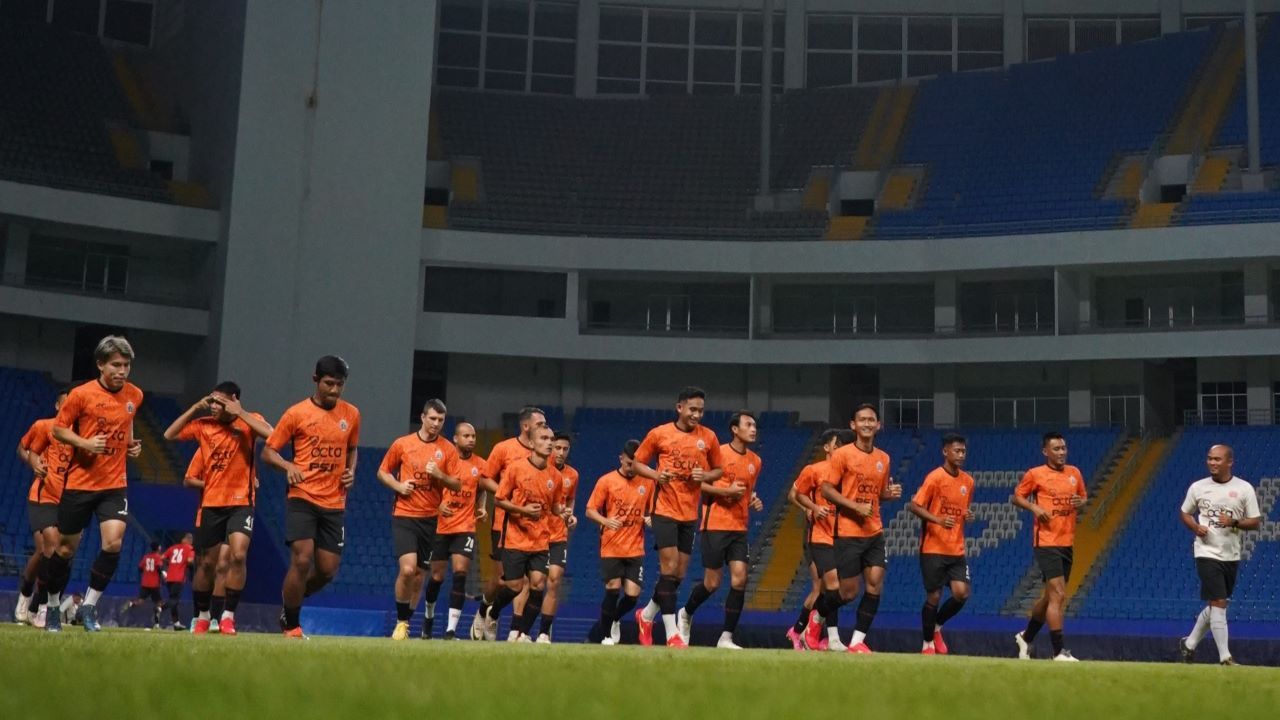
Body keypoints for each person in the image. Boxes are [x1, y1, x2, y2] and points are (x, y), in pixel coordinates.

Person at [40, 335, 144, 633]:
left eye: (126, 365)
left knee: (113, 542)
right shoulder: (81, 395)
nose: (122, 371)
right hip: (81, 483)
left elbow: (127, 423)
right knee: (64, 550)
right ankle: (52, 606)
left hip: (114, 483)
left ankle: (89, 606)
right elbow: (59, 430)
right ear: (100, 364)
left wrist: (130, 444)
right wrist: (84, 442)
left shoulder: (134, 395)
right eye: (116, 365)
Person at [263, 355, 360, 639]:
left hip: (334, 501)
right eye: (329, 384)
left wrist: (350, 471)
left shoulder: (351, 414)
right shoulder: (296, 414)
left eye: (340, 385)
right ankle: (292, 624)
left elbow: (353, 448)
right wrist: (288, 466)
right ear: (315, 379)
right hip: (302, 496)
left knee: (328, 570)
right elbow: (268, 452)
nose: (335, 390)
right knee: (302, 560)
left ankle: (291, 599)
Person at [164, 382, 272, 636]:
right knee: (207, 564)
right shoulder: (204, 426)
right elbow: (169, 435)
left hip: (241, 502)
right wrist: (194, 409)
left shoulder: (249, 421)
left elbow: (271, 434)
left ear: (233, 400)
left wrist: (240, 412)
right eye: (211, 401)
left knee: (237, 556)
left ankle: (227, 617)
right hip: (211, 503)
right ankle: (202, 616)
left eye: (219, 402)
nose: (213, 407)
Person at [804, 404, 902, 654]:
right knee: (847, 593)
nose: (867, 423)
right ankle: (817, 618)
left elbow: (878, 495)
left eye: (872, 420)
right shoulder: (842, 455)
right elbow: (827, 489)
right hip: (847, 532)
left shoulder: (884, 458)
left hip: (874, 532)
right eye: (862, 420)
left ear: (878, 425)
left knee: (875, 583)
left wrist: (888, 495)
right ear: (853, 425)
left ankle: (857, 642)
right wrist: (854, 507)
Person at [632, 387, 723, 648]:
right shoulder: (660, 433)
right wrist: (655, 475)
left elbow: (718, 470)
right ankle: (672, 634)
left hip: (689, 512)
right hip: (664, 509)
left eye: (701, 410)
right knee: (669, 568)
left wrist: (704, 476)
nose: (697, 414)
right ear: (679, 407)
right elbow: (638, 463)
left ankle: (646, 615)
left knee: (679, 574)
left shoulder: (709, 437)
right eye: (692, 409)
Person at [377, 399, 461, 641]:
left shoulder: (447, 449)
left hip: (431, 519)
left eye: (441, 420)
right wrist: (399, 486)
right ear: (423, 417)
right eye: (432, 419)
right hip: (404, 515)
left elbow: (456, 483)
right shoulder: (403, 444)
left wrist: (440, 475)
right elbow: (382, 471)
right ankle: (401, 622)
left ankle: (406, 621)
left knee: (418, 577)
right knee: (407, 569)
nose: (436, 424)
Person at [678, 411, 763, 649]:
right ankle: (686, 612)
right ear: (735, 429)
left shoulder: (756, 461)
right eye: (748, 424)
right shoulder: (718, 453)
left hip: (739, 527)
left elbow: (746, 492)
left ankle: (726, 637)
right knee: (713, 583)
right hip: (714, 525)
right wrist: (726, 492)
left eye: (755, 425)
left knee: (740, 579)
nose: (753, 429)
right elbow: (698, 484)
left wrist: (752, 500)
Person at [1178, 444, 1262, 666]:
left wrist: (1234, 522)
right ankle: (1225, 657)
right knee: (1219, 601)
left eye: (1217, 459)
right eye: (1210, 459)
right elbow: (1185, 512)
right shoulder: (1198, 487)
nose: (1212, 463)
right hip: (1206, 551)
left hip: (1231, 553)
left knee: (1218, 605)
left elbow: (1254, 522)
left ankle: (1189, 644)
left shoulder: (1244, 489)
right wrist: (1196, 528)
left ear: (1229, 462)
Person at [484, 426, 568, 642]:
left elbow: (556, 506)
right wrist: (523, 511)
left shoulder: (555, 477)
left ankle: (522, 633)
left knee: (539, 584)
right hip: (515, 537)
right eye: (544, 438)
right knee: (514, 586)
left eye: (551, 438)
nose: (549, 443)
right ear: (531, 444)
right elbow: (499, 499)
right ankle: (492, 613)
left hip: (541, 539)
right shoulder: (515, 469)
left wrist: (565, 514)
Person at [471, 406, 547, 641]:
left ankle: (514, 630)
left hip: (534, 529)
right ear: (526, 427)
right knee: (502, 580)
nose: (544, 429)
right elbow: (484, 479)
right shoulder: (503, 449)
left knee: (527, 581)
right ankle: (485, 607)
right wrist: (508, 494)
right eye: (540, 425)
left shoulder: (546, 454)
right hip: (505, 523)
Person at [1012, 431, 1087, 662]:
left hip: (1067, 541)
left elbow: (1083, 497)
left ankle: (1026, 636)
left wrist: (1080, 502)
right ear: (1045, 451)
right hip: (1046, 542)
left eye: (1064, 448)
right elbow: (1016, 497)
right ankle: (1058, 652)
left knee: (1049, 598)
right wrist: (1034, 508)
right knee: (1059, 595)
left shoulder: (1074, 473)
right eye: (1056, 448)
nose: (1062, 452)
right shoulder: (1035, 474)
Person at [907, 433, 975, 655]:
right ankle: (927, 644)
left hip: (956, 548)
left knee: (961, 593)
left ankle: (936, 626)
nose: (961, 455)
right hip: (933, 548)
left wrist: (967, 514)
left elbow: (960, 509)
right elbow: (914, 506)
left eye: (963, 451)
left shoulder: (968, 481)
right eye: (957, 450)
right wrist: (937, 519)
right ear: (945, 452)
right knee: (934, 596)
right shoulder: (935, 477)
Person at [584, 439, 653, 646]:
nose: (631, 467)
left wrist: (651, 518)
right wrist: (606, 521)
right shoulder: (606, 481)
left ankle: (614, 618)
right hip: (611, 545)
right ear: (621, 458)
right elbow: (590, 510)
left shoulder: (647, 482)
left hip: (635, 547)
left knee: (632, 596)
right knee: (612, 589)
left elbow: (653, 510)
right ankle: (606, 635)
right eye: (628, 462)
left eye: (636, 463)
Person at [786, 428, 846, 651]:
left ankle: (808, 632)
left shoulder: (846, 472)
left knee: (827, 588)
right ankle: (803, 631)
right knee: (821, 587)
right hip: (816, 534)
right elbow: (793, 494)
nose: (841, 448)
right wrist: (809, 508)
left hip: (837, 536)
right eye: (837, 444)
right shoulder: (815, 470)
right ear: (827, 448)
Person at [14, 388, 71, 624]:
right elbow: (22, 448)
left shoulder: (80, 435)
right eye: (66, 405)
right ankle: (27, 598)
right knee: (46, 549)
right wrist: (33, 463)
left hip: (69, 499)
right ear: (58, 406)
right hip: (43, 494)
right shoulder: (43, 426)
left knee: (63, 554)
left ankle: (41, 607)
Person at [429, 421, 486, 640]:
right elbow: (430, 487)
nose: (471, 439)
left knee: (460, 575)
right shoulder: (442, 460)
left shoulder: (480, 464)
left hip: (465, 527)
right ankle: (428, 617)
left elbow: (481, 488)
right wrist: (437, 505)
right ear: (455, 438)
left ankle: (450, 630)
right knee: (436, 576)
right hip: (441, 526)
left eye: (473, 436)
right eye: (466, 435)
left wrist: (481, 507)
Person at [533, 432, 578, 643]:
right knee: (534, 583)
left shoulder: (573, 475)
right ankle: (520, 630)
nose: (560, 452)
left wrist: (570, 516)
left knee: (554, 580)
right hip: (535, 534)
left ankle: (543, 632)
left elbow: (570, 501)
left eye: (565, 449)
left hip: (558, 534)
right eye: (557, 448)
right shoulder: (540, 469)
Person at [118, 542, 165, 629]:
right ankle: (157, 624)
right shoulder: (157, 557)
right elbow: (159, 568)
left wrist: (147, 572)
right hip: (154, 584)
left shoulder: (146, 557)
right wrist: (162, 575)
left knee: (140, 601)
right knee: (159, 604)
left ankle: (131, 603)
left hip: (145, 583)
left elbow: (140, 568)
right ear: (158, 548)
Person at [161, 532, 196, 630]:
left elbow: (162, 558)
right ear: (188, 540)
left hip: (169, 578)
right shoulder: (190, 549)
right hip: (178, 578)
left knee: (173, 600)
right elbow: (189, 560)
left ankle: (176, 623)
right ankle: (160, 608)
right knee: (174, 600)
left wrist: (170, 564)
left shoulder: (173, 548)